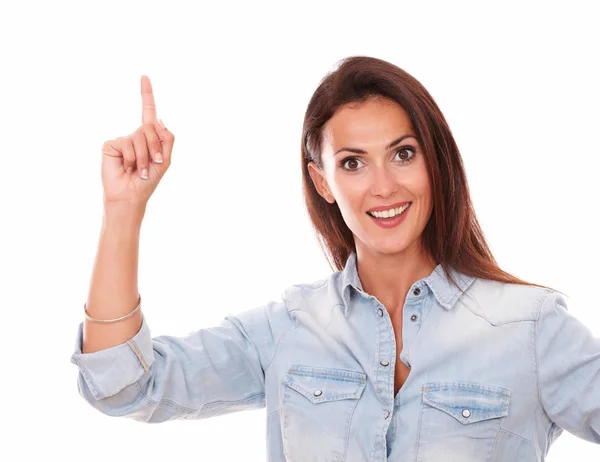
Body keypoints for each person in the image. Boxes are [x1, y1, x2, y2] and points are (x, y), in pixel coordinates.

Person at [70, 56, 599, 461]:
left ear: (435, 161)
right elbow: (124, 385)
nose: (384, 186)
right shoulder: (289, 330)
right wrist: (124, 209)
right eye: (353, 163)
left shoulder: (530, 329)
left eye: (403, 153)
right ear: (322, 181)